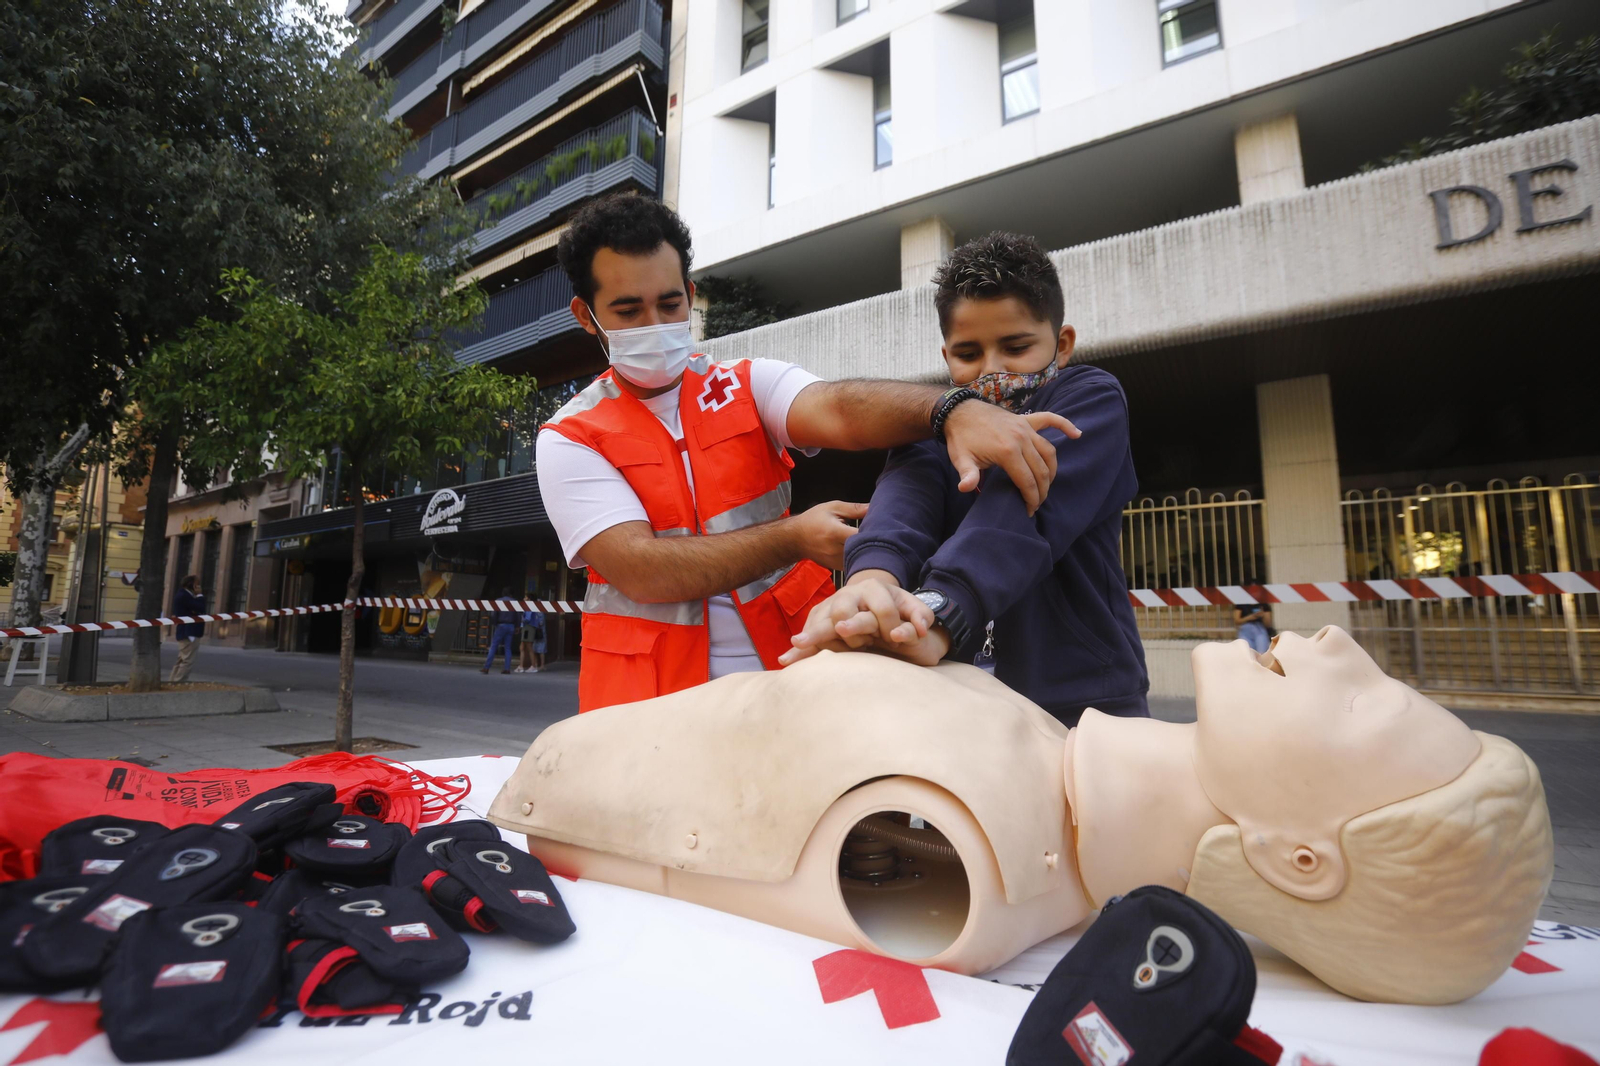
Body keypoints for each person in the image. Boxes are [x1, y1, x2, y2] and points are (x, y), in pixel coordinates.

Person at [537, 194, 1080, 713]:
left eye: (670, 303)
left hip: (792, 679)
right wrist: (793, 537)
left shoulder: (743, 384)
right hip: (650, 708)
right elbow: (641, 571)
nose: (656, 326)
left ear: (690, 292)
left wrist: (953, 408)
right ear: (587, 316)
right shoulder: (571, 436)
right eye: (628, 311)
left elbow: (841, 408)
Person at [780, 232, 1148, 726]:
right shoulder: (928, 434)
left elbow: (1018, 516)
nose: (992, 371)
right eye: (969, 354)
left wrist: (942, 610)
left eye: (1016, 347)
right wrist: (869, 583)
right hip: (960, 708)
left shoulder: (1089, 402)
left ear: (1061, 346)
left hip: (1089, 705)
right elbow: (900, 508)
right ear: (946, 355)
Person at [169, 574, 205, 683]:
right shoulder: (185, 596)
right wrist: (200, 596)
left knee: (181, 659)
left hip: (185, 631)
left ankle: (172, 681)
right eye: (198, 584)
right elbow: (201, 608)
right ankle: (179, 682)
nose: (199, 587)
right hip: (189, 632)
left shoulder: (183, 595)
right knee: (187, 660)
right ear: (194, 585)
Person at [481, 589, 519, 674]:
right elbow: (518, 615)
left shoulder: (498, 601)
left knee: (494, 646)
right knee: (508, 648)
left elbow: (494, 614)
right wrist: (517, 626)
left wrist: (494, 623)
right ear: (511, 594)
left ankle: (486, 667)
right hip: (511, 625)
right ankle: (507, 668)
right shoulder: (515, 602)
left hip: (501, 625)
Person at [1233, 588, 1272, 653]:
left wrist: (1263, 615)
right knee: (1246, 653)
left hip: (1259, 629)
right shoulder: (1242, 603)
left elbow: (1268, 624)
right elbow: (1237, 621)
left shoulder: (1263, 604)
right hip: (1245, 630)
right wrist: (1251, 617)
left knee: (1261, 653)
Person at [517, 606, 546, 674]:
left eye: (526, 597)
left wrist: (521, 619)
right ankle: (522, 666)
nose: (524, 599)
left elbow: (527, 618)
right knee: (523, 646)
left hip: (527, 628)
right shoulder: (530, 608)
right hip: (527, 628)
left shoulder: (529, 608)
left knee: (528, 646)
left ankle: (532, 665)